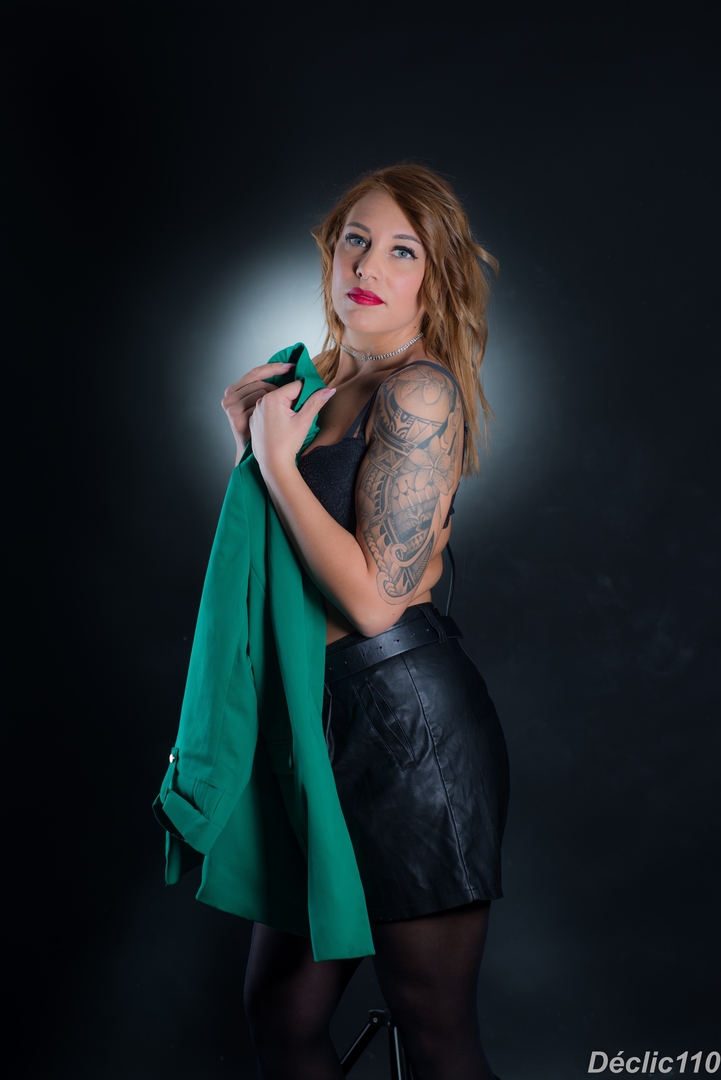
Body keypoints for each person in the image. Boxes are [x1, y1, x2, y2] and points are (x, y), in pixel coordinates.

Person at [219, 164, 510, 1080]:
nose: (368, 265)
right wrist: (247, 440)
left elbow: (374, 599)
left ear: (435, 276)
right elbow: (283, 561)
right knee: (281, 1015)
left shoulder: (417, 391)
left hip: (408, 735)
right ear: (329, 252)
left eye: (401, 250)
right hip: (318, 721)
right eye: (355, 239)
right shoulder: (317, 386)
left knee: (434, 1032)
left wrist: (274, 463)